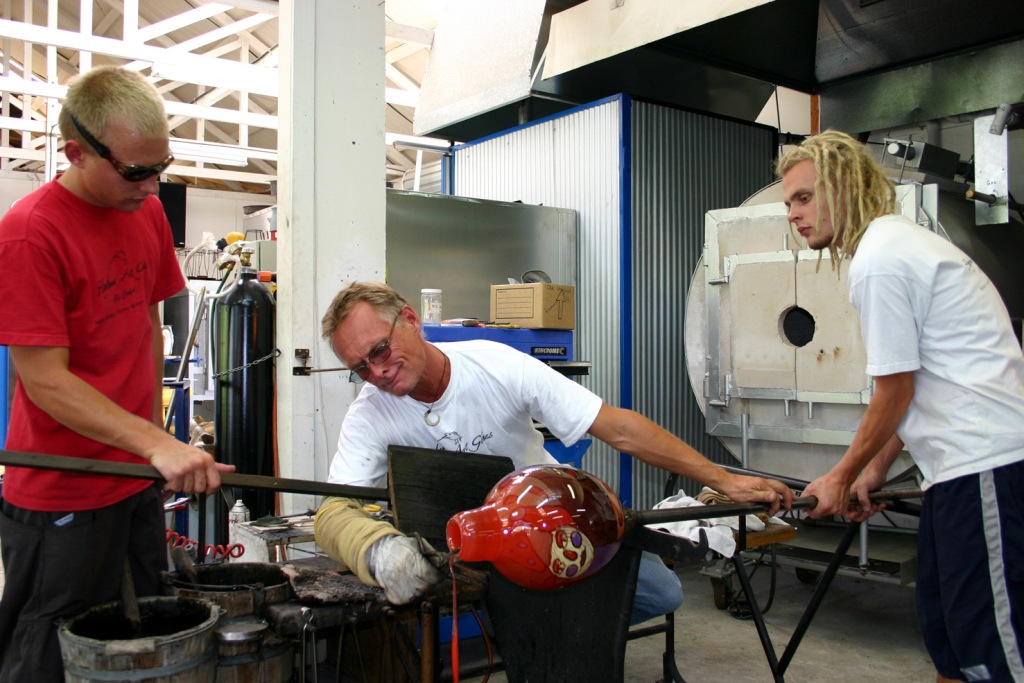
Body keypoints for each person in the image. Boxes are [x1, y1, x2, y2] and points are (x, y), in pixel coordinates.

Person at [314, 281, 793, 623]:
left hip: (551, 527)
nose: (376, 373)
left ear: (412, 320)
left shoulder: (496, 364)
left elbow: (617, 427)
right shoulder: (370, 414)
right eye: (360, 367)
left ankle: (538, 626)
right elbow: (333, 510)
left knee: (659, 592)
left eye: (379, 350)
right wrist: (378, 550)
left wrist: (723, 480)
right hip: (465, 545)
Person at [0, 65, 233, 682]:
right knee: (52, 648)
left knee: (145, 633)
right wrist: (157, 444)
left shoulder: (145, 214)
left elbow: (145, 332)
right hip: (63, 489)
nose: (153, 188)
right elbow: (45, 381)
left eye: (161, 168)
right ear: (76, 152)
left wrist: (148, 444)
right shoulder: (30, 234)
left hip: (130, 481)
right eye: (136, 172)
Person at [779, 130, 1024, 683]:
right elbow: (911, 381)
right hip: (953, 473)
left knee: (993, 656)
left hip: (985, 465)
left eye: (804, 197)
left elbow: (895, 391)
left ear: (844, 187)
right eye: (789, 202)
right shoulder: (891, 247)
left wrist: (841, 476)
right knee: (949, 644)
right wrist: (874, 468)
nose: (793, 214)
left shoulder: (883, 258)